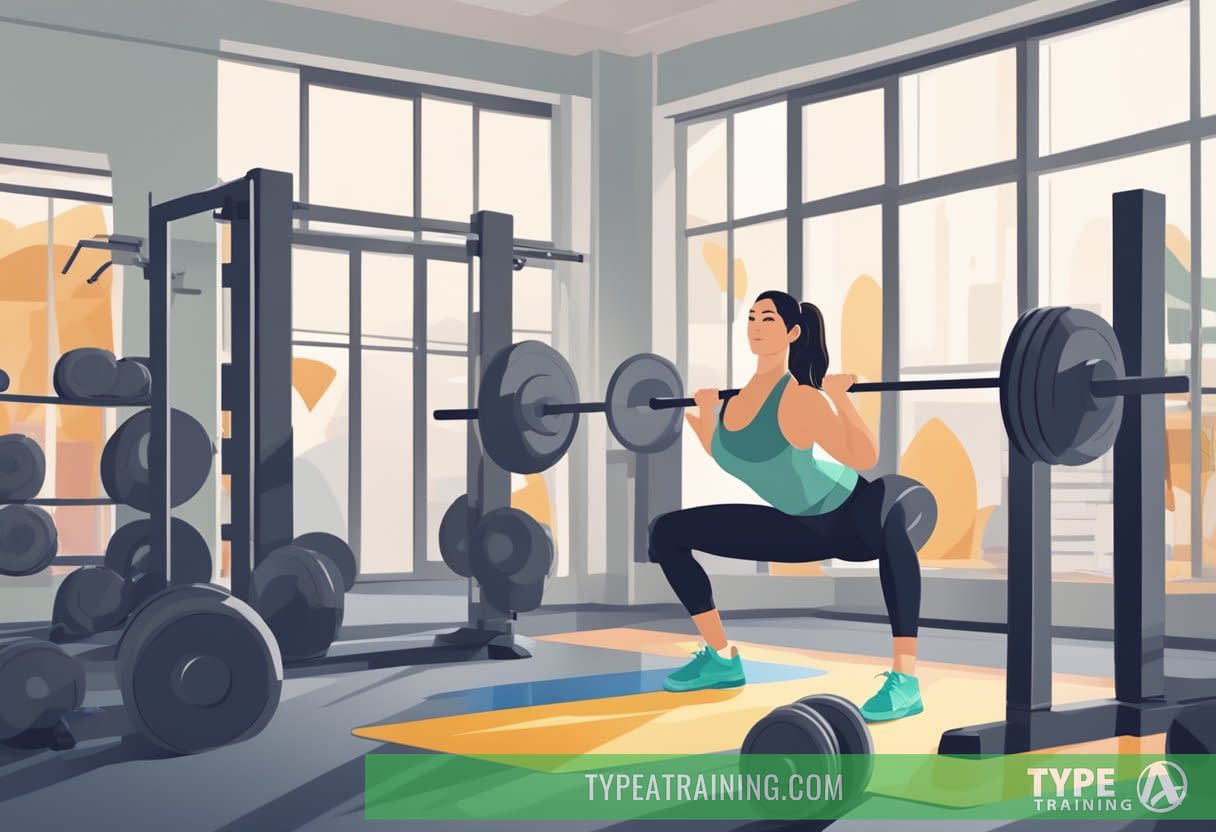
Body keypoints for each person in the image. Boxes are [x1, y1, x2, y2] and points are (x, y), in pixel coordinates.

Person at [648, 290, 923, 723]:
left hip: (849, 515)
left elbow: (863, 455)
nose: (757, 327)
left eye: (769, 320)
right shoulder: (732, 406)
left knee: (892, 521)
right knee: (667, 532)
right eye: (753, 318)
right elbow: (733, 457)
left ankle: (905, 681)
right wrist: (703, 418)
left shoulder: (800, 399)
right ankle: (721, 659)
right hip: (796, 527)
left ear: (793, 332)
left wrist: (840, 397)